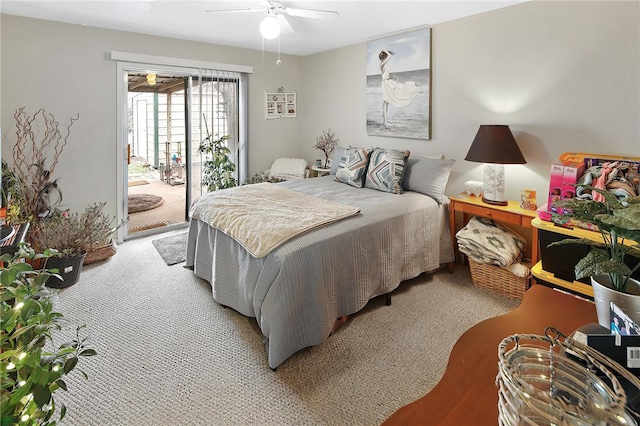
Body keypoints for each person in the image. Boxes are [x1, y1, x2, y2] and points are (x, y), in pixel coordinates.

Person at [379, 49, 420, 126]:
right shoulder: (382, 64)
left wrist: (387, 52)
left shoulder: (384, 64)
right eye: (385, 57)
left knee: (388, 100)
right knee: (386, 101)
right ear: (383, 58)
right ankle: (385, 121)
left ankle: (385, 121)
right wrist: (386, 51)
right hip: (385, 83)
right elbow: (390, 55)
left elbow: (391, 54)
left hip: (388, 82)